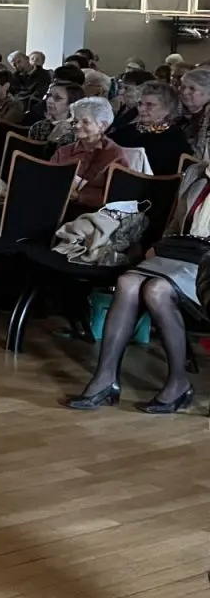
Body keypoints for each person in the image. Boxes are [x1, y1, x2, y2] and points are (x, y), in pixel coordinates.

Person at [65, 160, 206, 415]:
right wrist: (160, 246)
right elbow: (176, 223)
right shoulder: (196, 172)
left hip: (205, 267)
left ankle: (178, 383)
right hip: (178, 254)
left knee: (156, 290)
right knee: (127, 282)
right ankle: (105, 378)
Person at [53, 96, 127, 211]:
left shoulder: (114, 154)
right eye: (75, 121)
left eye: (85, 122)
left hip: (92, 213)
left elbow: (118, 197)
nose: (77, 126)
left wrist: (80, 197)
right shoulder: (63, 152)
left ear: (102, 126)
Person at [111, 79, 191, 176]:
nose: (142, 109)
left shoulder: (175, 137)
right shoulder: (126, 131)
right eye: (140, 104)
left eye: (149, 105)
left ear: (167, 108)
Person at [29, 81, 81, 145]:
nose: (49, 101)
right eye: (48, 95)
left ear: (72, 104)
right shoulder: (38, 126)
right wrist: (52, 139)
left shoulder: (80, 129)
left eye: (58, 98)